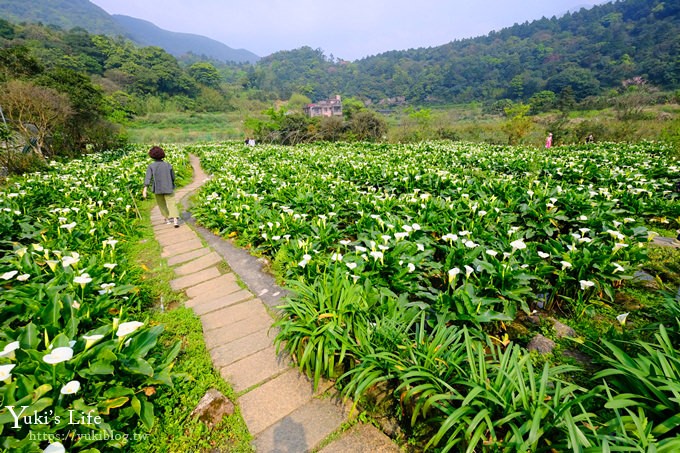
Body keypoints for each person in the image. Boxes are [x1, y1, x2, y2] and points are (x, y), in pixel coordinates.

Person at [142, 146, 180, 228]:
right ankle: (175, 221)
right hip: (168, 187)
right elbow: (173, 176)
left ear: (152, 156)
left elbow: (148, 177)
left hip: (158, 188)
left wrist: (145, 188)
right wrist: (172, 183)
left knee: (161, 204)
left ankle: (167, 219)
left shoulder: (151, 166)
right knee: (172, 203)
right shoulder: (168, 165)